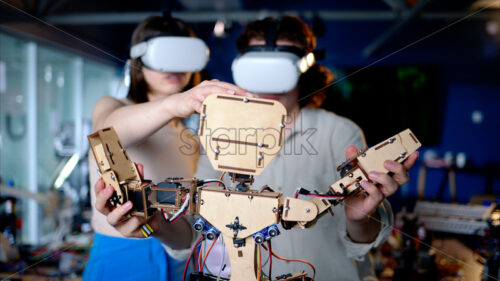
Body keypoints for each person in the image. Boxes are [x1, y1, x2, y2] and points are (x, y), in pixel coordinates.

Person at [194, 15, 419, 280]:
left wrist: (359, 219)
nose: (269, 82)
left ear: (305, 68)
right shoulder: (215, 134)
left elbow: (364, 241)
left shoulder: (340, 133)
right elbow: (197, 224)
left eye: (281, 69)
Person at [83, 15, 245, 281]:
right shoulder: (112, 106)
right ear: (139, 61)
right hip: (118, 262)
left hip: (177, 263)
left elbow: (187, 229)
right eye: (164, 56)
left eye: (183, 56)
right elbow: (107, 132)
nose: (174, 67)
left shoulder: (193, 140)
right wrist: (176, 103)